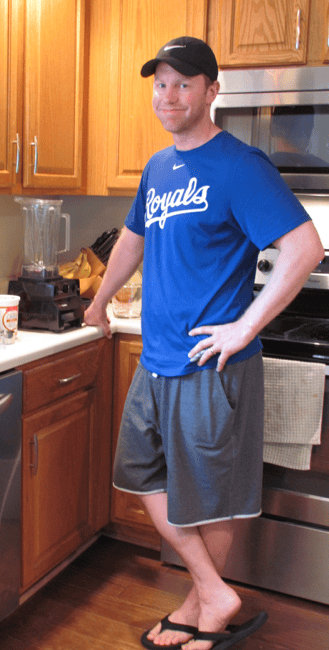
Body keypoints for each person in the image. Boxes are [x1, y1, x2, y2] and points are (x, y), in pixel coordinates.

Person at [84, 36, 324, 650]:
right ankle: (214, 594)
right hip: (156, 358)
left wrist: (246, 326)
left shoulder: (240, 166)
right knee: (136, 474)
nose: (169, 95)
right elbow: (133, 241)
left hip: (210, 364)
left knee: (208, 497)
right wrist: (100, 300)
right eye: (161, 83)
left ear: (211, 92)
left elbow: (304, 248)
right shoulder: (158, 168)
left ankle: (202, 605)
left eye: (183, 83)